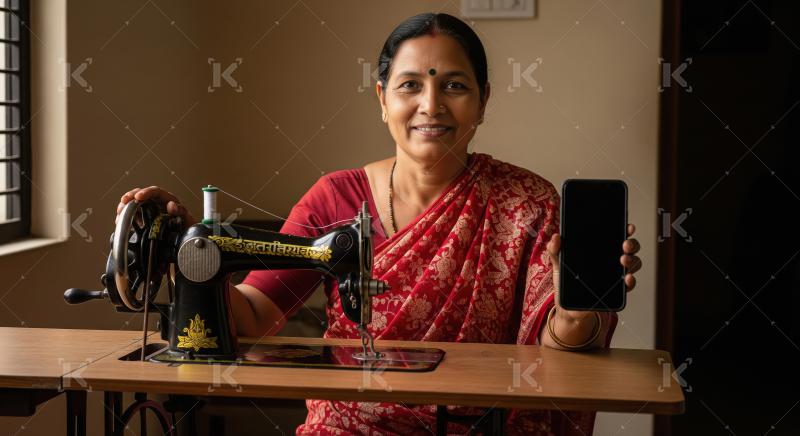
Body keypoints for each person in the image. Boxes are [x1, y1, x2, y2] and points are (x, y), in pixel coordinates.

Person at [117, 12, 642, 436]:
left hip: (480, 425)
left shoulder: (526, 202)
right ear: (382, 99)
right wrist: (190, 254)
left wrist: (578, 308)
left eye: (454, 86)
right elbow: (254, 317)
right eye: (410, 84)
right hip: (348, 426)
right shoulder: (335, 197)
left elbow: (560, 351)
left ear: (483, 100)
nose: (430, 105)